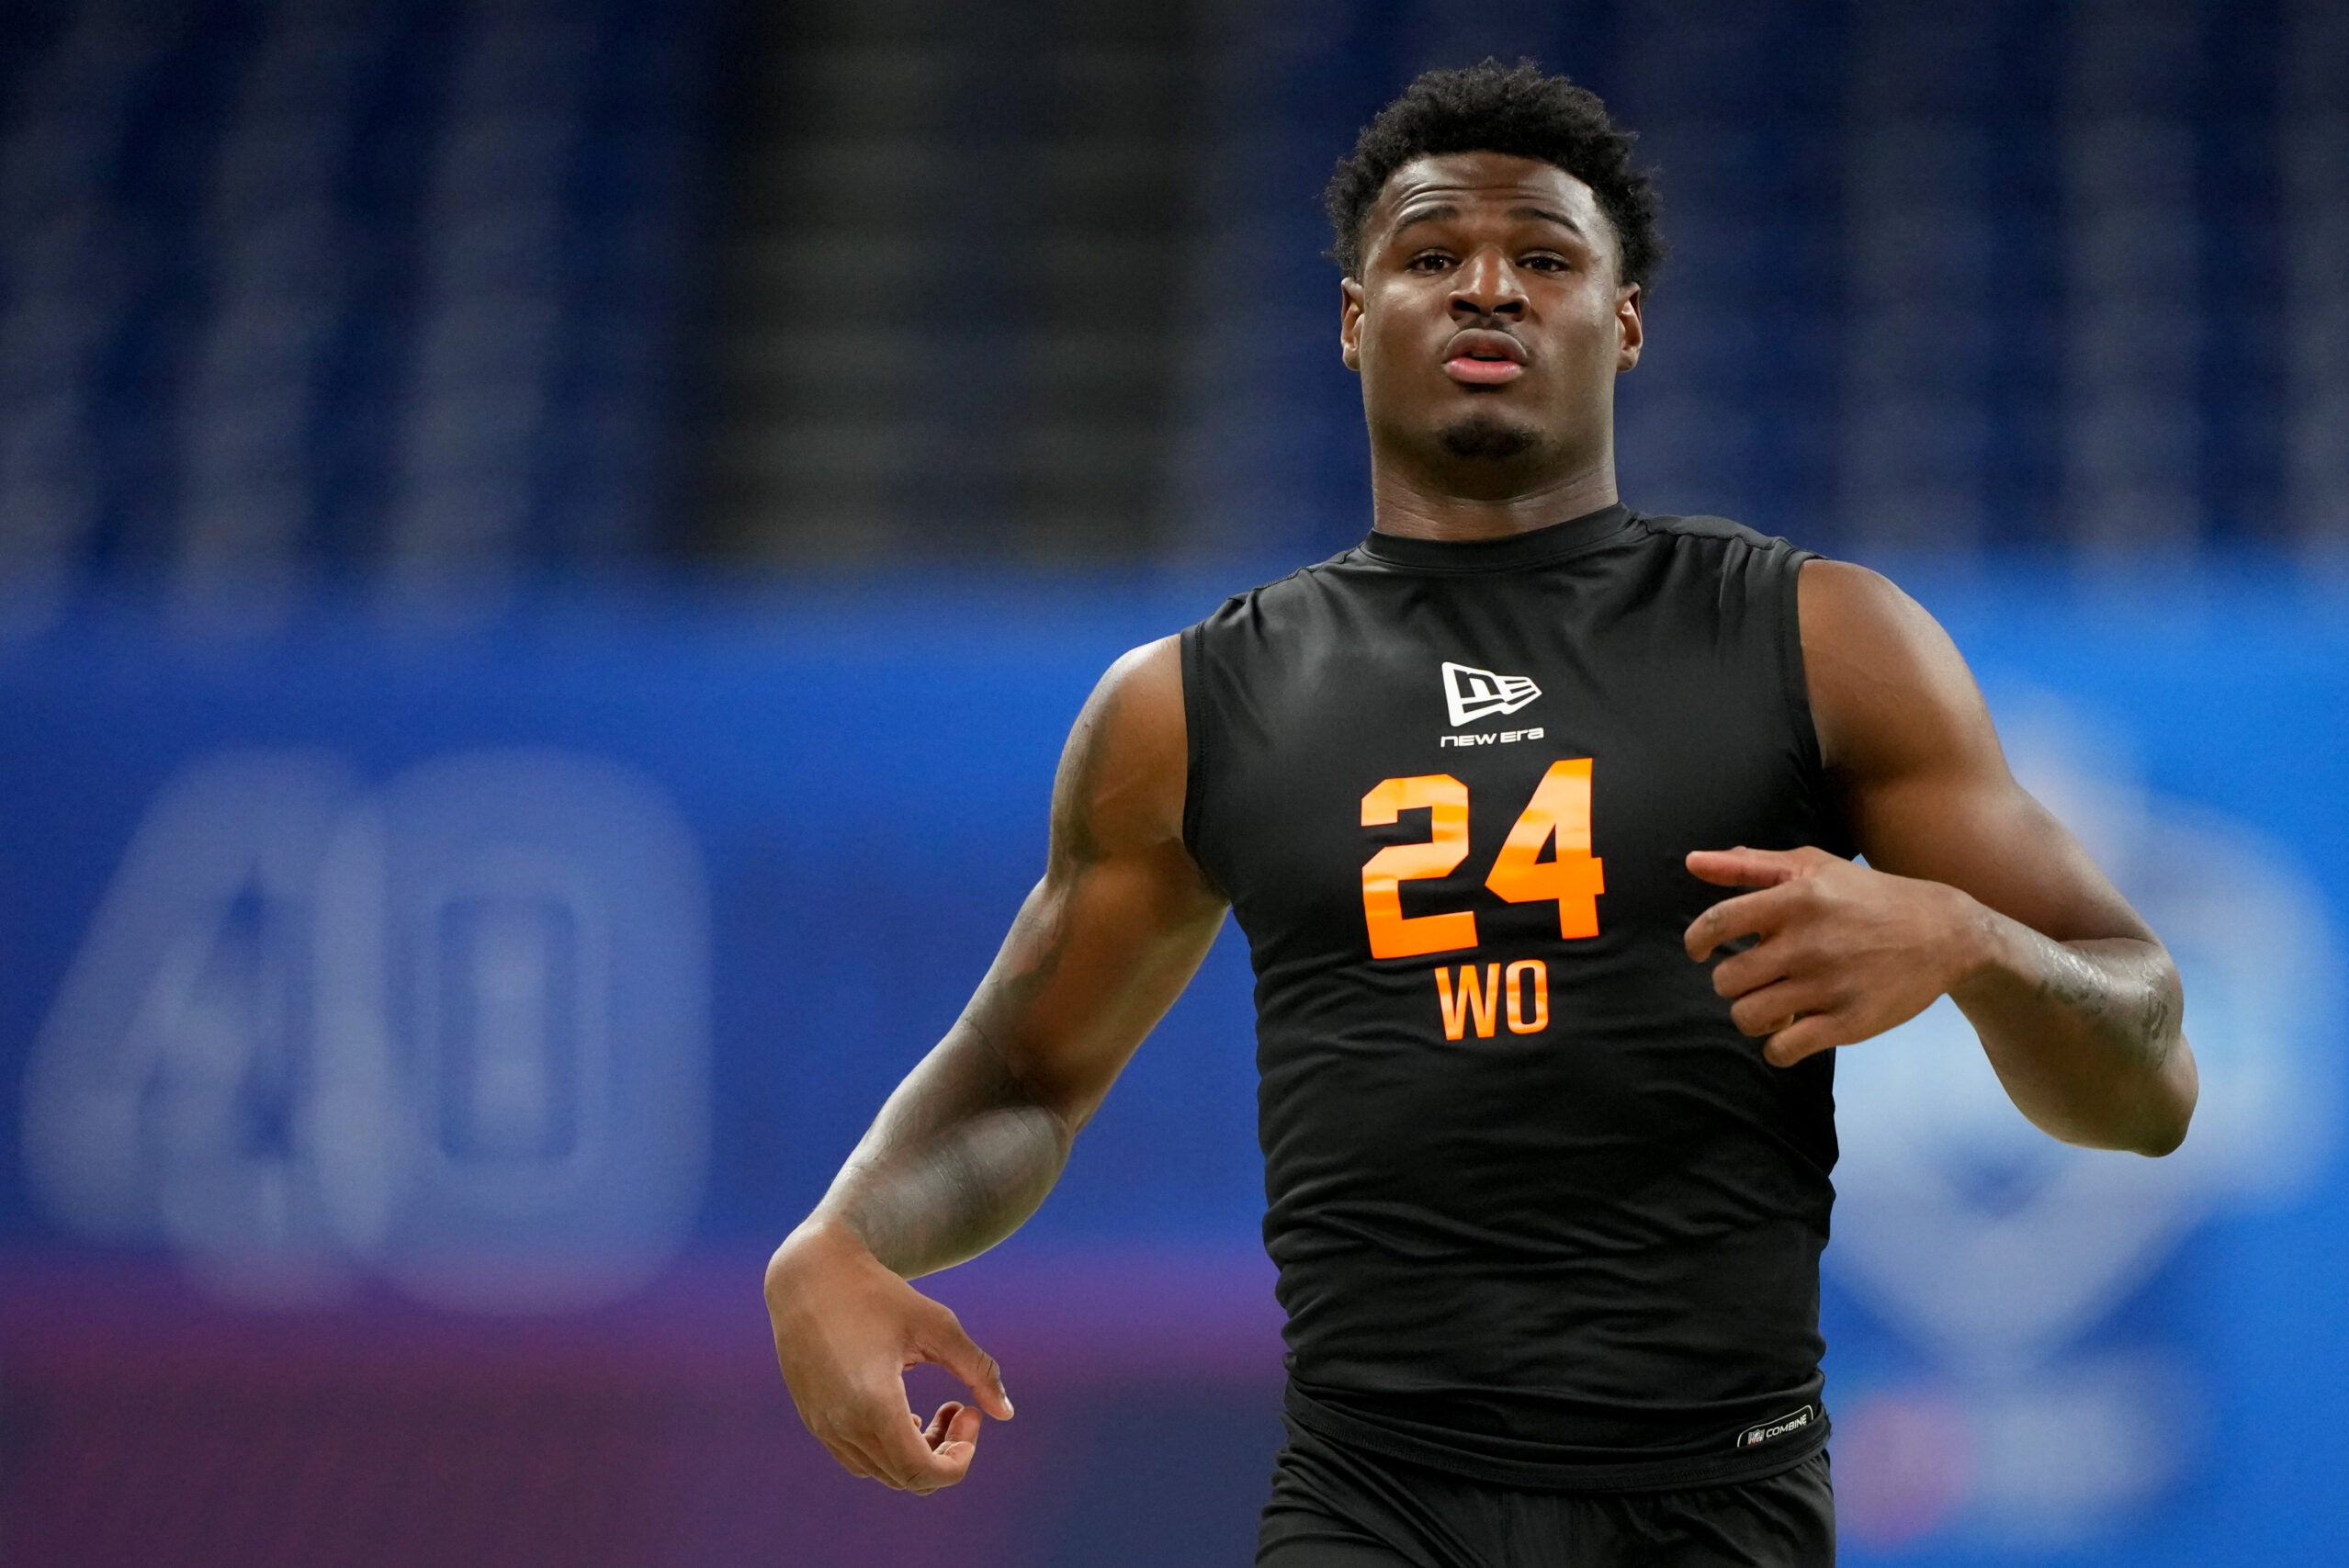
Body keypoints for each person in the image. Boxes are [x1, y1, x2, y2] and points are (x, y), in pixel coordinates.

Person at [762, 61, 2197, 1567]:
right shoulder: (1187, 704)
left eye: (1548, 259)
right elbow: (1022, 1079)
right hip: (1373, 1503)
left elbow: (2150, 1082)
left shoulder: (1819, 638)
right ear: (1349, 319)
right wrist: (843, 1239)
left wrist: (1970, 942)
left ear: (1624, 322)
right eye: (1433, 256)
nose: (1488, 290)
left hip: (1718, 1502)